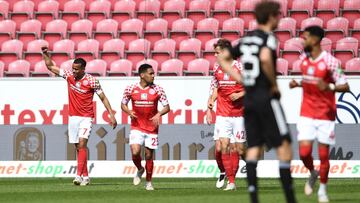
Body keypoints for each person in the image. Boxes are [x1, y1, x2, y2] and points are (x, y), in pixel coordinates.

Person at [218, 1, 297, 202]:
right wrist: (273, 84)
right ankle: (290, 197)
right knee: (284, 144)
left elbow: (223, 59)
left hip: (250, 100)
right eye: (277, 15)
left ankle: (253, 195)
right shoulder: (268, 38)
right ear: (270, 16)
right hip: (265, 96)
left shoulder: (246, 39)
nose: (279, 18)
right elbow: (264, 59)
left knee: (253, 147)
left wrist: (243, 80)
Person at [289, 26, 350, 203]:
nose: (303, 40)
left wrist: (330, 86)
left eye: (306, 37)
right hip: (307, 112)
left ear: (315, 40)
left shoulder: (332, 62)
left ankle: (323, 190)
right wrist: (298, 84)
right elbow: (311, 80)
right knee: (304, 153)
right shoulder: (303, 59)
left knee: (324, 155)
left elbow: (345, 85)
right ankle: (312, 172)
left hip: (325, 114)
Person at [42, 47, 117, 186]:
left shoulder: (92, 81)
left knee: (82, 144)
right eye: (73, 68)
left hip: (86, 117)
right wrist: (45, 54)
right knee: (78, 147)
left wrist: (111, 115)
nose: (74, 71)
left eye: (76, 69)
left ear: (83, 69)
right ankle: (86, 177)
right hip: (73, 118)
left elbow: (103, 98)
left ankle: (78, 176)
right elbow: (50, 66)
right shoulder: (69, 76)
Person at [121, 64, 170, 191]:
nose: (153, 75)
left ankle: (148, 182)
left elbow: (167, 107)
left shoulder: (158, 89)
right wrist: (128, 112)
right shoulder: (130, 89)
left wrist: (159, 114)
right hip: (136, 126)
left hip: (152, 128)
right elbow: (123, 104)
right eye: (151, 73)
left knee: (149, 155)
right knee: (136, 152)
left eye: (153, 73)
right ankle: (139, 169)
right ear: (142, 75)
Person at [206, 39, 246, 190]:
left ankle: (244, 167)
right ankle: (231, 182)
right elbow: (215, 88)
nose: (215, 55)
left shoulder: (240, 67)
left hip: (238, 114)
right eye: (215, 52)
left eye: (218, 52)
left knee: (238, 149)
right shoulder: (217, 68)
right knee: (223, 145)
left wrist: (241, 94)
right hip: (223, 114)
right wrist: (210, 103)